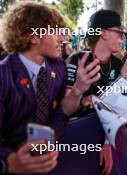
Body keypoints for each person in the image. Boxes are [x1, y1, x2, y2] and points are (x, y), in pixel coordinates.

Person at [61, 9, 127, 174]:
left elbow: (122, 109)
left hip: (111, 139)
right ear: (103, 33)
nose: (123, 37)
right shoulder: (79, 59)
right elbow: (65, 109)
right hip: (79, 142)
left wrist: (124, 76)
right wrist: (81, 96)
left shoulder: (119, 64)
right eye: (119, 32)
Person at [0, 2, 69, 174]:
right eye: (54, 31)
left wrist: (45, 142)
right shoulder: (3, 75)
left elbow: (61, 113)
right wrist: (10, 161)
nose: (62, 38)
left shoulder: (59, 67)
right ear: (33, 37)